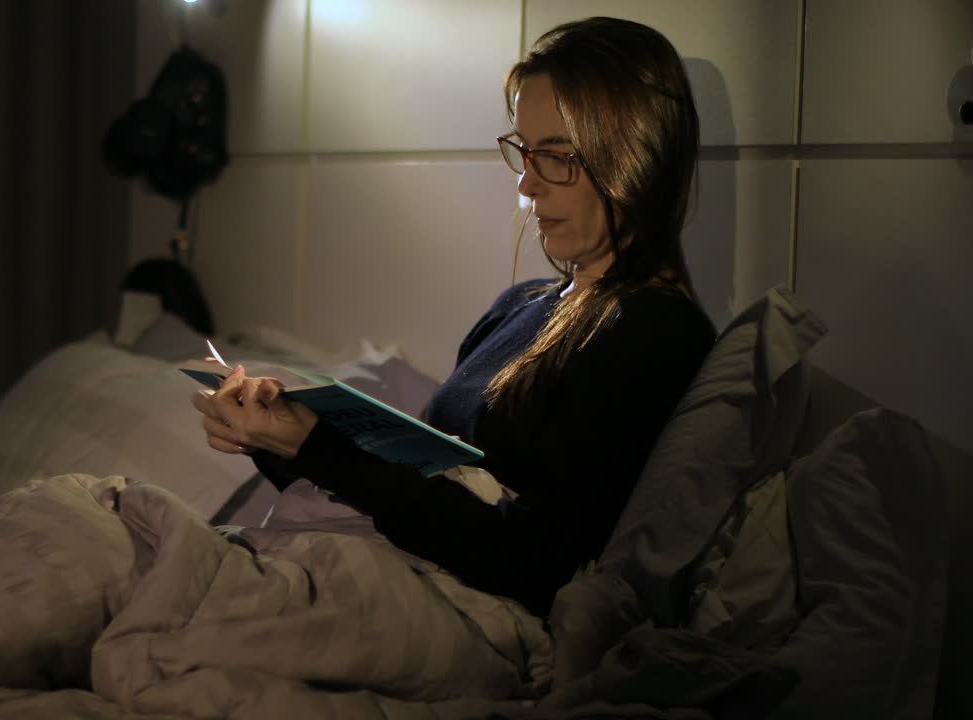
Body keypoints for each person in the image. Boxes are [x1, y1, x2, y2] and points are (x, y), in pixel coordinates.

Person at [192, 17, 716, 623]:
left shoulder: (655, 334)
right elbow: (406, 491)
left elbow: (536, 563)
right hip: (386, 574)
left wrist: (314, 449)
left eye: (558, 157)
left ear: (637, 159)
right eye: (524, 151)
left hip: (461, 612)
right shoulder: (518, 307)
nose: (527, 184)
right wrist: (279, 439)